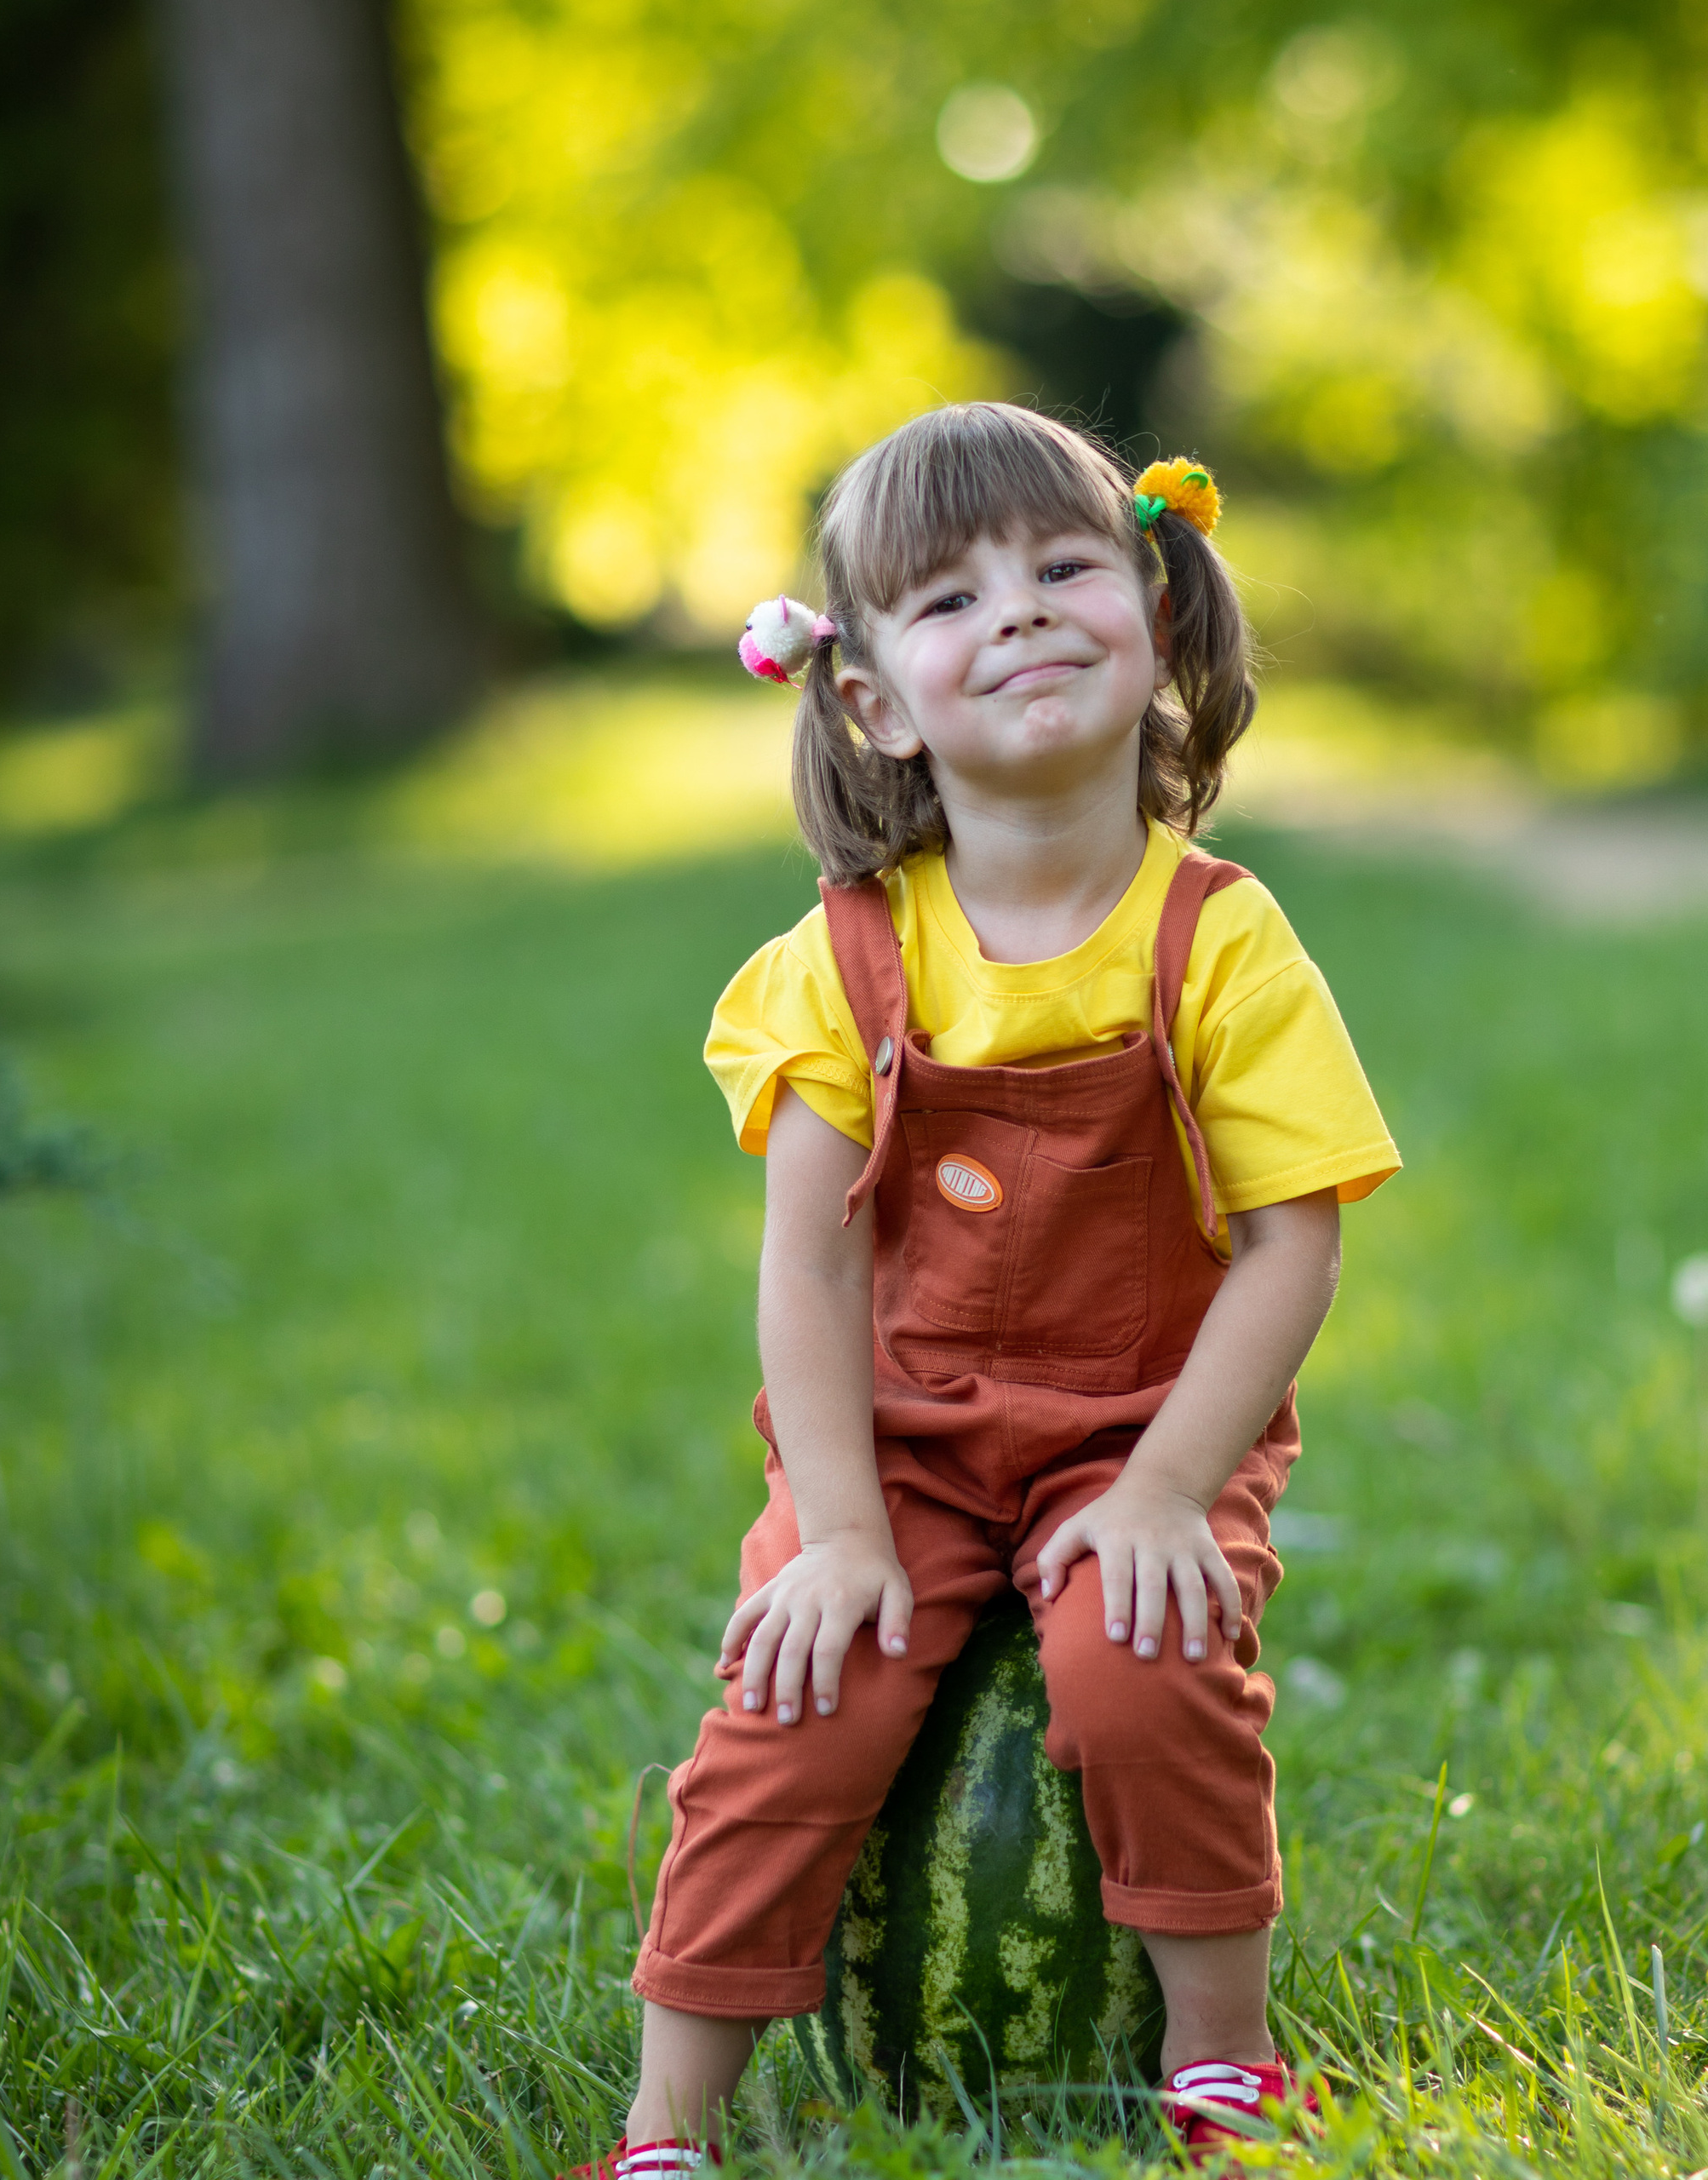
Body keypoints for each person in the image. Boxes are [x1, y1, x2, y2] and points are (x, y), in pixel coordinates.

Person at [565, 404, 1400, 2178]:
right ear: (871, 699)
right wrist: (843, 1529)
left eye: (1060, 565)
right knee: (798, 1695)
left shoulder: (1218, 939)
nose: (1015, 610)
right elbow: (809, 1262)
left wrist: (1169, 1487)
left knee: (1138, 1658)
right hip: (906, 1433)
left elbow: (1291, 1243)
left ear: (1154, 616)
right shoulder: (841, 959)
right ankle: (664, 2133)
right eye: (945, 596)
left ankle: (1222, 2063)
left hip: (1137, 1418)